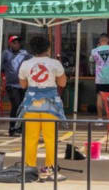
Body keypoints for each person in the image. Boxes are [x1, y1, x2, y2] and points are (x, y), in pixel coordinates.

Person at [18, 35, 67, 182]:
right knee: (50, 138)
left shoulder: (25, 64)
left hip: (31, 104)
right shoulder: (55, 63)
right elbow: (63, 83)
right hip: (50, 104)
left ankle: (29, 169)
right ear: (48, 48)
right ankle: (50, 169)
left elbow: (22, 85)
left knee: (30, 138)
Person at [0, 35, 31, 136]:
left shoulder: (24, 53)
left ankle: (20, 128)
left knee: (23, 106)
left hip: (23, 84)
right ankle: (12, 128)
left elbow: (33, 61)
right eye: (14, 42)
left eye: (18, 42)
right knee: (16, 105)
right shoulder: (6, 53)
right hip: (11, 85)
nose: (17, 44)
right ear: (10, 44)